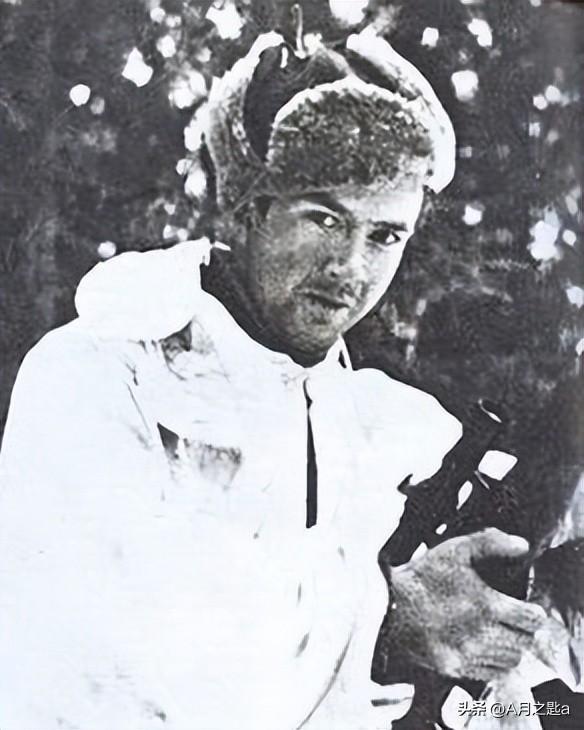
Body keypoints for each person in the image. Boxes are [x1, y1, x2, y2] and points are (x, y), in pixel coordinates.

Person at [0, 26, 555, 730]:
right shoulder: (99, 374)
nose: (349, 268)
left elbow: (536, 687)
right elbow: (124, 650)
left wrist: (515, 624)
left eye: (385, 235)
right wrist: (387, 618)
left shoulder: (390, 428)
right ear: (249, 208)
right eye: (324, 218)